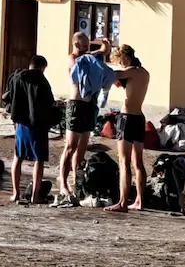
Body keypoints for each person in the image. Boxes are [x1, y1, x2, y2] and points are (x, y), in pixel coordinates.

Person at [57, 32, 114, 205]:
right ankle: (63, 183)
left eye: (89, 46)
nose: (88, 49)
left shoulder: (90, 59)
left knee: (82, 147)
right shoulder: (73, 58)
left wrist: (103, 53)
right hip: (76, 105)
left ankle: (77, 179)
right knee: (70, 146)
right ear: (76, 45)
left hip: (90, 106)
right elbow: (82, 62)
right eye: (85, 46)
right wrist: (99, 51)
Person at [2, 53, 56, 205]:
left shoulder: (17, 77)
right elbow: (48, 103)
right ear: (42, 67)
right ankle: (35, 195)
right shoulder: (42, 81)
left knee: (18, 158)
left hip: (20, 124)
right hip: (37, 125)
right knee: (39, 160)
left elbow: (9, 98)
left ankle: (15, 193)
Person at [103, 44, 150, 213]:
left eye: (120, 60)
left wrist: (101, 56)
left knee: (124, 161)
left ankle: (123, 202)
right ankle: (140, 200)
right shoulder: (144, 73)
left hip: (127, 118)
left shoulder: (129, 71)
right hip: (139, 118)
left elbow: (111, 74)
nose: (120, 64)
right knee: (138, 162)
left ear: (126, 57)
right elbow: (126, 83)